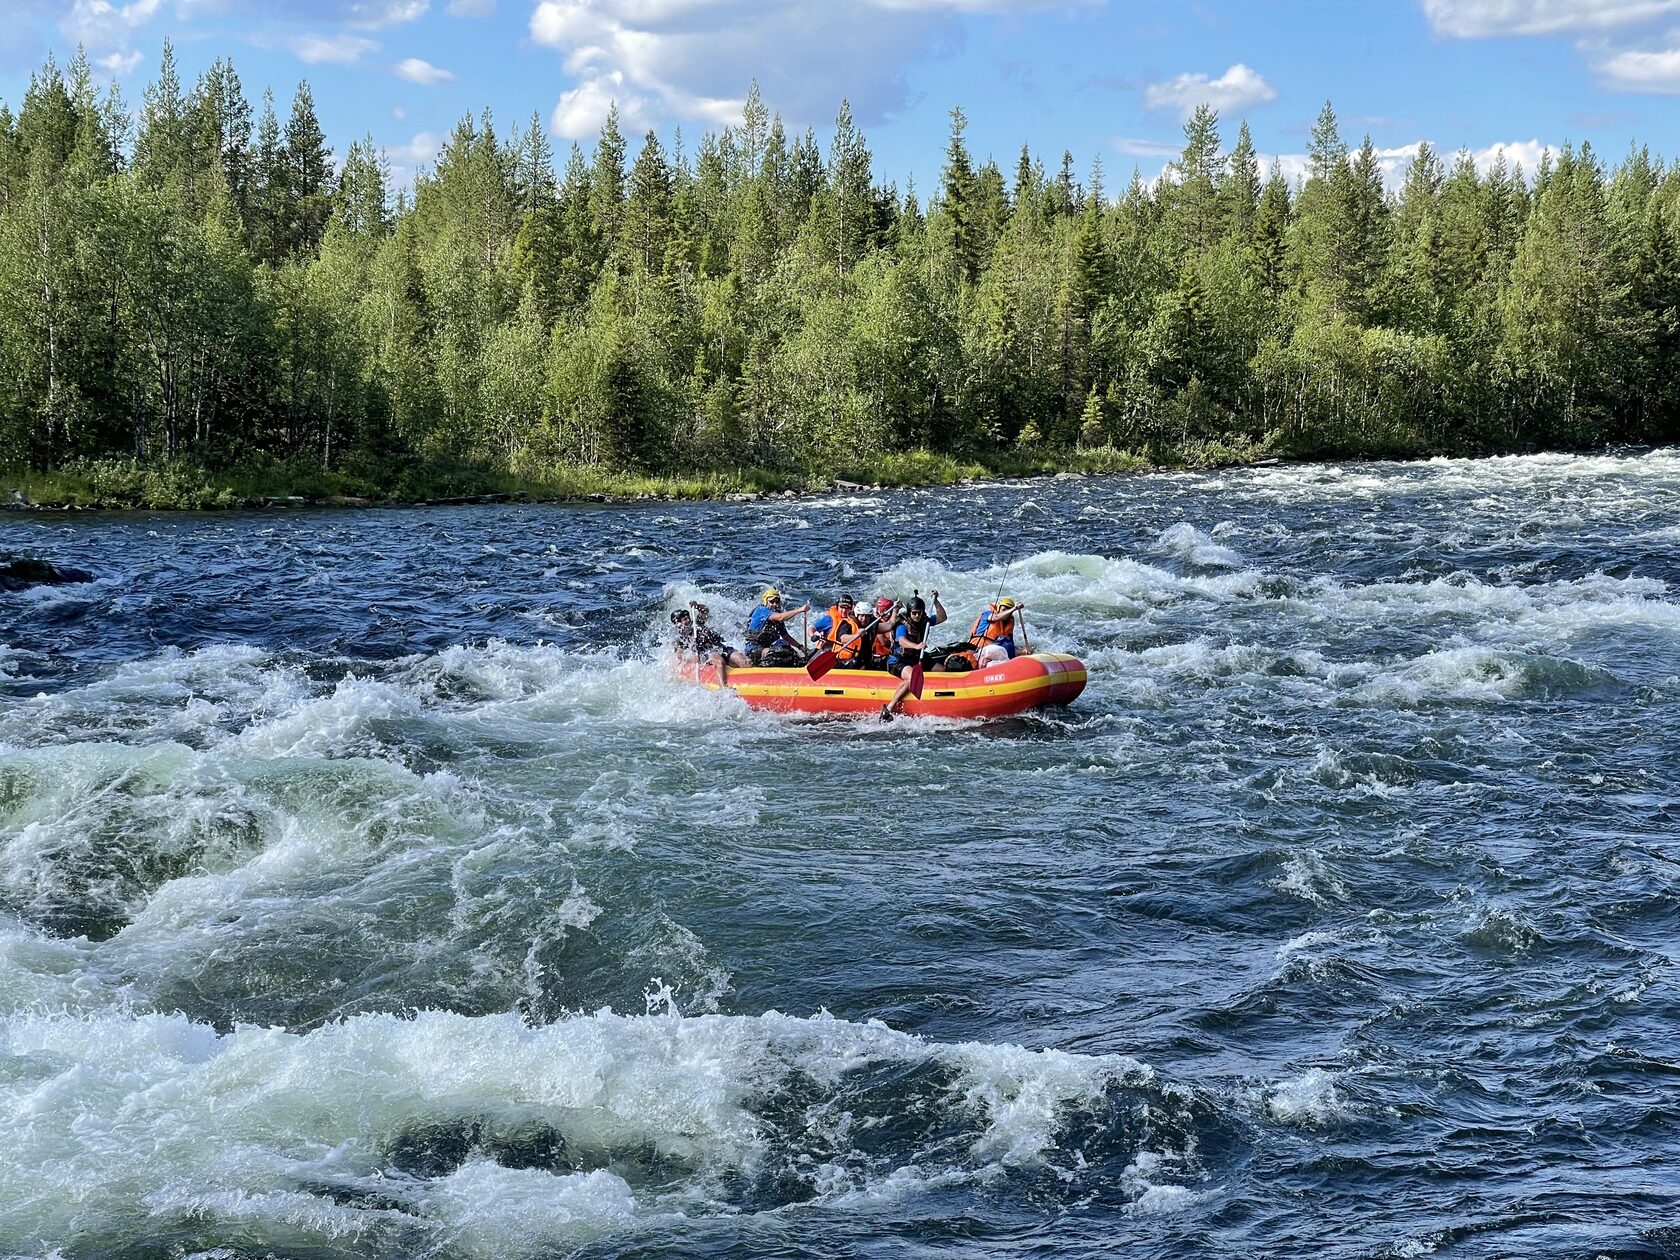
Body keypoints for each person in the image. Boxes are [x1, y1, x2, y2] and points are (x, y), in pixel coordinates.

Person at [880, 591, 947, 721]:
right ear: (910, 612)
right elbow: (901, 641)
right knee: (912, 679)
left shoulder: (925, 621)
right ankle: (889, 708)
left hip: (916, 657)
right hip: (898, 660)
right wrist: (916, 646)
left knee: (942, 670)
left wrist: (936, 600)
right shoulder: (902, 624)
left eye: (919, 612)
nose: (917, 615)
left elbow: (942, 617)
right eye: (914, 613)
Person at [673, 601, 748, 679]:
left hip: (721, 648)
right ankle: (723, 689)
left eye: (688, 617)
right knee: (719, 661)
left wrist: (697, 606)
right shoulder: (680, 639)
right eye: (685, 619)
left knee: (744, 662)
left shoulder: (697, 623)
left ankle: (751, 680)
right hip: (707, 654)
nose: (688, 620)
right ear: (678, 623)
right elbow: (680, 658)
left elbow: (705, 611)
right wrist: (692, 660)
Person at [744, 588, 811, 666]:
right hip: (754, 649)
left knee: (788, 651)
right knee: (777, 654)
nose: (775, 604)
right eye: (772, 602)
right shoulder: (762, 610)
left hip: (771, 648)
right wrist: (800, 610)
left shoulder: (777, 617)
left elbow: (785, 636)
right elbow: (781, 617)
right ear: (765, 602)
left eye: (777, 602)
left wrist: (801, 647)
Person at [810, 594, 869, 668]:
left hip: (843, 657)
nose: (844, 610)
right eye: (842, 607)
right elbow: (811, 628)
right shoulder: (829, 619)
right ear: (837, 606)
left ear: (851, 609)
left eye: (847, 608)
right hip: (825, 651)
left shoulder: (853, 621)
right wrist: (812, 635)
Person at [970, 595, 1026, 665]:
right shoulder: (988, 614)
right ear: (998, 608)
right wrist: (1014, 608)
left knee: (1010, 647)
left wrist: (1023, 651)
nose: (1006, 612)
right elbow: (995, 617)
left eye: (1008, 610)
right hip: (977, 649)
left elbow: (1009, 649)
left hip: (994, 654)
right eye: (1004, 609)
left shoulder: (1009, 624)